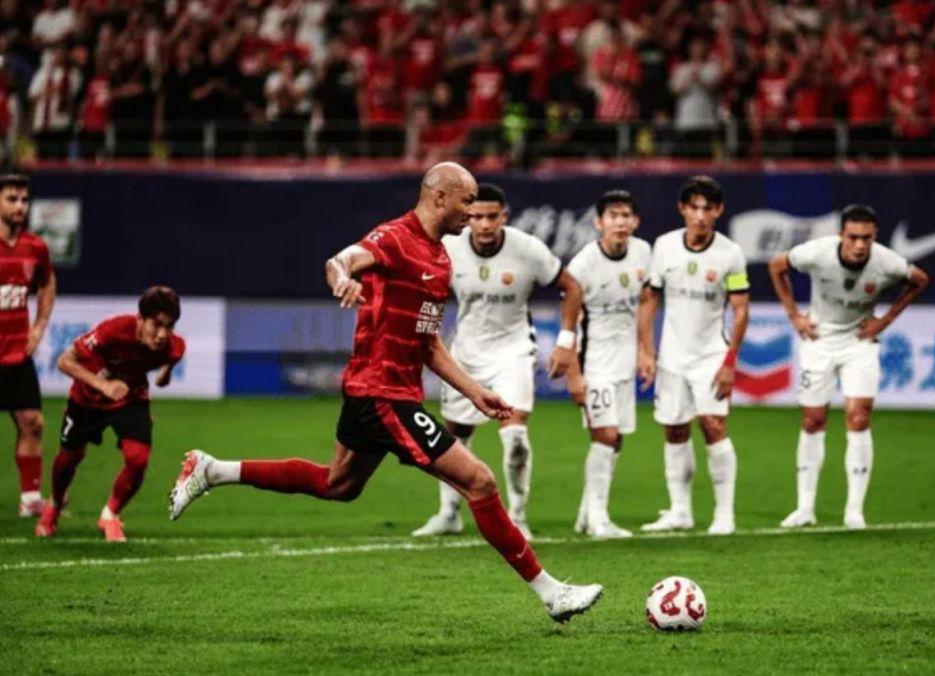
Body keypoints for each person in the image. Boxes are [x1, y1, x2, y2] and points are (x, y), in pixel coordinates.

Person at [168, 163, 603, 623]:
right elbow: (342, 260)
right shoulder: (394, 238)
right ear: (439, 197)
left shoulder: (441, 260)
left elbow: (428, 345)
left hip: (382, 393)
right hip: (382, 394)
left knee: (338, 485)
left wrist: (475, 392)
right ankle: (552, 592)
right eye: (466, 201)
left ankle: (213, 470)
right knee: (479, 481)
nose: (471, 211)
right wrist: (341, 277)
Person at [412, 183, 582, 539]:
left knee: (515, 435)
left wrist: (566, 343)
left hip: (513, 350)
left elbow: (571, 287)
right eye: (477, 217)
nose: (485, 224)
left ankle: (517, 518)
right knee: (455, 434)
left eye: (492, 216)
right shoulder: (450, 247)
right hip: (466, 351)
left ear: (504, 216)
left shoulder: (528, 249)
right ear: (467, 217)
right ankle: (448, 513)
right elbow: (419, 286)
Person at [768, 204, 929, 529]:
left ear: (875, 236)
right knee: (813, 420)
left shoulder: (886, 261)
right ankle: (805, 508)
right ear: (841, 234)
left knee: (859, 417)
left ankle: (854, 511)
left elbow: (920, 280)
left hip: (859, 343)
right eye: (853, 237)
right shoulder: (817, 252)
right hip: (819, 341)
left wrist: (885, 320)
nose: (859, 245)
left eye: (866, 238)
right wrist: (794, 315)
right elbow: (776, 265)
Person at [638, 176, 749, 536]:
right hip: (672, 357)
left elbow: (740, 310)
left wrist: (730, 362)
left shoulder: (730, 253)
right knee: (674, 429)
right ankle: (680, 511)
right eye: (694, 208)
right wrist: (646, 350)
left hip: (711, 356)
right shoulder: (665, 246)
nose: (700, 216)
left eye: (707, 209)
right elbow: (650, 299)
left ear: (718, 211)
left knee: (713, 426)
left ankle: (725, 514)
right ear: (682, 209)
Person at [35, 286, 185, 542]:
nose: (162, 334)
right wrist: (104, 386)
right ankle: (55, 504)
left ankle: (110, 514)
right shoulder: (113, 331)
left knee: (138, 459)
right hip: (87, 399)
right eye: (156, 325)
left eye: (169, 326)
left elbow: (172, 359)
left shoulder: (173, 347)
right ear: (141, 319)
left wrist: (165, 374)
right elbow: (64, 361)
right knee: (69, 458)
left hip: (129, 398)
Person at [566, 190, 651, 539]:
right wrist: (574, 374)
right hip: (594, 364)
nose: (620, 222)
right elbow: (568, 324)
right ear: (599, 222)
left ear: (635, 221)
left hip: (624, 363)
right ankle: (599, 520)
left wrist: (646, 351)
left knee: (616, 440)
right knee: (606, 436)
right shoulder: (582, 265)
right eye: (613, 216)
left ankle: (586, 514)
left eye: (626, 215)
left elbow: (646, 299)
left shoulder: (643, 252)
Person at [0, 174, 55, 518]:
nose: (19, 206)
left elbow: (47, 283)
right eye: (11, 199)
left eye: (24, 200)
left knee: (32, 422)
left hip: (17, 354)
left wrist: (38, 326)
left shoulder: (35, 247)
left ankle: (31, 499)